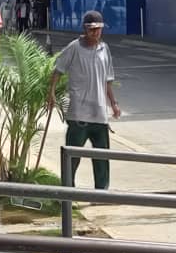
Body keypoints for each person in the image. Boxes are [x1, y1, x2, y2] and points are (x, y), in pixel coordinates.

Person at [47, 10, 121, 190]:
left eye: (98, 29)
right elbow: (57, 70)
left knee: (102, 159)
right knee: (72, 158)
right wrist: (51, 93)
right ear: (85, 29)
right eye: (91, 29)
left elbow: (107, 80)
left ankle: (101, 193)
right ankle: (68, 194)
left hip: (99, 115)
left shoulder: (105, 49)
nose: (95, 33)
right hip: (79, 115)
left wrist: (114, 104)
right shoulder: (74, 47)